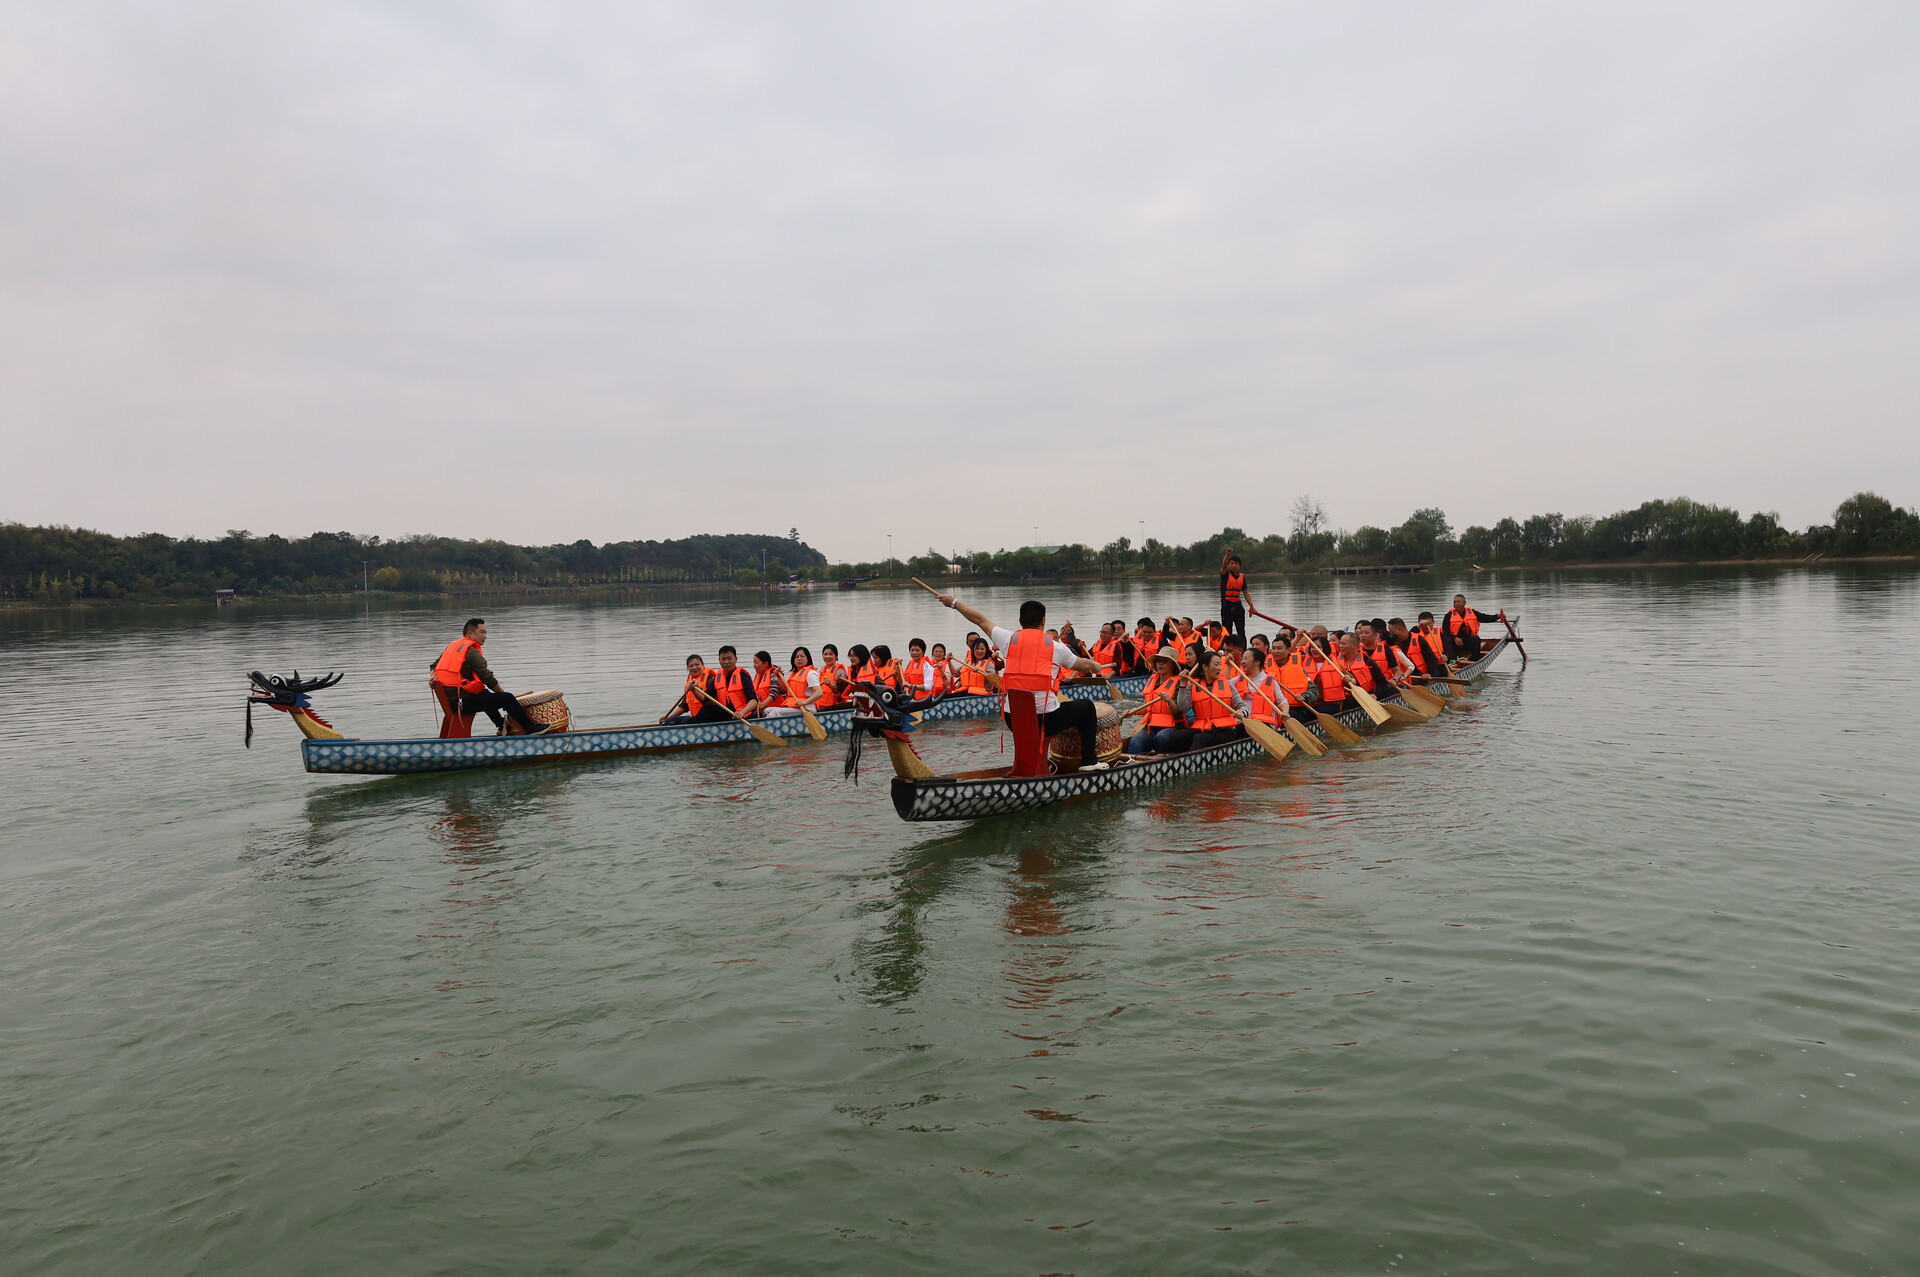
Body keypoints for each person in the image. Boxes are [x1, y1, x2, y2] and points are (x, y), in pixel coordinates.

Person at [932, 592, 1109, 772]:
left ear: (1020, 621)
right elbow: (1083, 665)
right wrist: (1096, 665)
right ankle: (1088, 761)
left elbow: (979, 620)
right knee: (1087, 707)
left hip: (1013, 718)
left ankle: (1027, 766)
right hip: (1045, 720)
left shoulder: (1008, 639)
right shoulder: (1057, 648)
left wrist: (953, 602)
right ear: (1043, 622)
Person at [431, 617, 550, 734]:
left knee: (484, 694)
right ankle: (530, 728)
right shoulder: (471, 651)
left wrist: (432, 677)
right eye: (482, 632)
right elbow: (487, 677)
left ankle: (500, 725)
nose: (485, 636)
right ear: (470, 633)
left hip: (454, 702)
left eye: (486, 632)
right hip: (462, 704)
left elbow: (433, 666)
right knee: (507, 698)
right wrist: (502, 694)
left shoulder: (452, 647)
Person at [1125, 648, 1190, 756]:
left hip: (1173, 727)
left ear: (1172, 665)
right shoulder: (1152, 679)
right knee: (1136, 740)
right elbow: (1149, 707)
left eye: (1164, 661)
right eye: (1158, 661)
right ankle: (1130, 765)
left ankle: (1162, 759)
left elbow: (1177, 712)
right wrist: (1133, 712)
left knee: (1162, 737)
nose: (1160, 664)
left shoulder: (1178, 682)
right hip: (1151, 727)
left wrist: (1169, 701)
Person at [1184, 648, 1246, 748]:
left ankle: (1190, 761)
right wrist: (1183, 685)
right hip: (1203, 727)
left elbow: (1242, 706)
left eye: (1220, 665)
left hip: (1225, 730)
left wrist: (1242, 712)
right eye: (1216, 665)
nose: (1219, 668)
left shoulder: (1227, 684)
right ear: (1205, 667)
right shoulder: (1193, 684)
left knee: (1200, 738)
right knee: (1175, 737)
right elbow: (1183, 707)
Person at [662, 653, 730, 724]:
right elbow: (685, 705)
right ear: (688, 668)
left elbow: (710, 701)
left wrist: (696, 690)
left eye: (697, 665)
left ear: (702, 665)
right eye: (691, 666)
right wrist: (667, 717)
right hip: (695, 717)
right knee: (670, 720)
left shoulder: (711, 678)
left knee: (685, 721)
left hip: (710, 716)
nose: (694, 668)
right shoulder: (690, 681)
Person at [1443, 594, 1506, 663]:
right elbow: (1445, 631)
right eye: (1454, 602)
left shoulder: (1472, 612)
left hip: (1467, 642)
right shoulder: (1448, 616)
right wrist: (1455, 638)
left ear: (1464, 603)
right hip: (1454, 643)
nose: (1456, 604)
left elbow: (1484, 617)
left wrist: (1498, 616)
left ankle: (1474, 661)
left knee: (1476, 638)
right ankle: (1452, 661)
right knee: (1448, 640)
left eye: (1458, 602)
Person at [711, 645, 759, 716]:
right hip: (724, 714)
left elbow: (754, 701)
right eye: (723, 659)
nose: (726, 662)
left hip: (741, 715)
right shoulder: (717, 678)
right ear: (719, 660)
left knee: (708, 709)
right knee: (708, 708)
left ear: (736, 659)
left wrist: (742, 712)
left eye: (730, 658)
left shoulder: (743, 675)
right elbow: (705, 699)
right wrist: (695, 689)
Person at [1405, 614, 1449, 681]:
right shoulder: (1415, 635)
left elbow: (1448, 649)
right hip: (1420, 668)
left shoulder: (1440, 633)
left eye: (1429, 623)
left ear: (1433, 622)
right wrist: (1418, 626)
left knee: (1440, 673)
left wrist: (1446, 656)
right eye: (1423, 624)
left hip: (1437, 665)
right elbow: (1406, 636)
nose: (1426, 626)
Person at [1219, 551, 1250, 640]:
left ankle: (1243, 651)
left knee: (1241, 632)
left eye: (1236, 564)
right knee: (1227, 632)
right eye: (1231, 563)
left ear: (1239, 566)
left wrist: (1251, 605)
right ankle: (1227, 650)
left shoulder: (1242, 577)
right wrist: (1228, 555)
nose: (1233, 566)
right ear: (1228, 565)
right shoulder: (1225, 575)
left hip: (1238, 607)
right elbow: (1224, 565)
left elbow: (1246, 593)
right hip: (1227, 607)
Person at [784, 646, 824, 714]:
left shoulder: (810, 673)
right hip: (794, 708)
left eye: (802, 656)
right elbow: (784, 690)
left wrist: (804, 702)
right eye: (796, 657)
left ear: (808, 658)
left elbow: (819, 693)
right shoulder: (794, 674)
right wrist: (779, 677)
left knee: (775, 713)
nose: (799, 659)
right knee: (767, 710)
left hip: (807, 709)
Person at [816, 644, 848, 709]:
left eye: (831, 654)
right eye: (825, 654)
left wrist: (830, 685)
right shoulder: (822, 670)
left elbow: (840, 693)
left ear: (836, 656)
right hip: (820, 705)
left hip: (834, 706)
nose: (828, 657)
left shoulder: (839, 671)